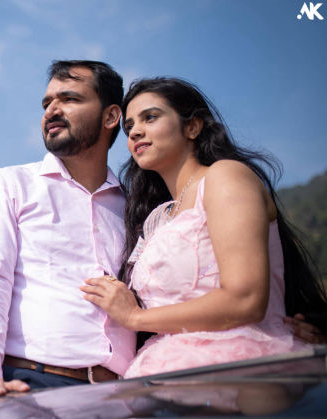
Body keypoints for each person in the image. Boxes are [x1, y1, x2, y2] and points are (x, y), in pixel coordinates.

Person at [81, 77, 327, 378]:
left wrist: (135, 317)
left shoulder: (224, 176)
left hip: (238, 365)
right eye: (129, 126)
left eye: (150, 117)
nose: (135, 131)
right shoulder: (156, 218)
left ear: (193, 127)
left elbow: (245, 300)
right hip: (162, 368)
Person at [0, 60, 135, 400]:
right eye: (47, 102)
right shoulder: (10, 184)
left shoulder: (133, 207)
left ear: (111, 116)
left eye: (70, 99)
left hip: (124, 395)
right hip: (31, 385)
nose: (52, 110)